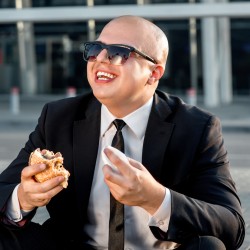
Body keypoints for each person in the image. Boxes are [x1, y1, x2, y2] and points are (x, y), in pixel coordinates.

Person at [0, 15, 245, 250]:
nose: (101, 59)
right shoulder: (58, 118)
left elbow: (231, 225)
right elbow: (4, 189)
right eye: (96, 49)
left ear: (154, 73)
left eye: (119, 52)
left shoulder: (197, 127)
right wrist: (24, 197)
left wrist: (156, 199)